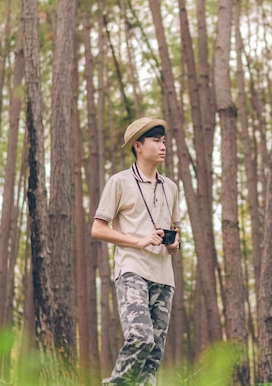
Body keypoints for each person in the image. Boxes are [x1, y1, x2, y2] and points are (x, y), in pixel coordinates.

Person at [92, 117, 180, 386]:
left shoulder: (171, 187)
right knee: (141, 337)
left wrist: (174, 244)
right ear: (138, 146)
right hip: (132, 271)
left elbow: (175, 229)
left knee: (153, 356)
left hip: (164, 277)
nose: (162, 146)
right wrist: (139, 241)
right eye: (155, 141)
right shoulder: (119, 182)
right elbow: (98, 229)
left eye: (163, 141)